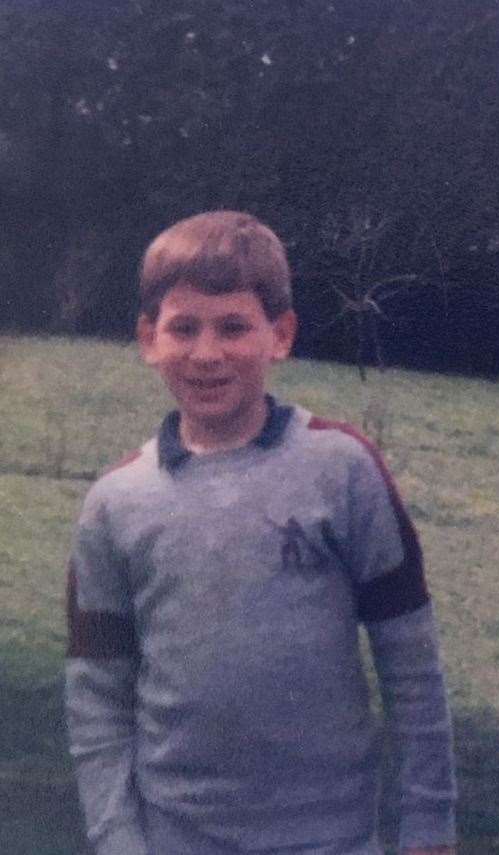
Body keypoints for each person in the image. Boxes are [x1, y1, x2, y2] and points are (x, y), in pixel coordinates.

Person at [65, 211, 457, 855]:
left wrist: (428, 825)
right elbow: (97, 698)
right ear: (148, 339)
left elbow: (410, 662)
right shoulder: (116, 503)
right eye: (183, 328)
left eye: (234, 327)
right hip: (174, 836)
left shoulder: (343, 468)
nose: (208, 353)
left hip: (331, 835)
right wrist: (117, 838)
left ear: (281, 335)